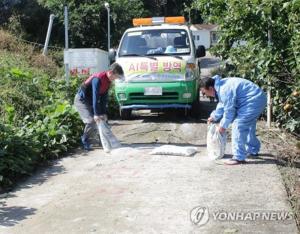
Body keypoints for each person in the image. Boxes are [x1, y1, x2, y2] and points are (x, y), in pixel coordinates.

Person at [200, 75, 267, 165]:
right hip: (257, 98)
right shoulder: (220, 86)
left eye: (204, 93)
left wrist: (223, 126)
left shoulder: (224, 90)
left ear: (210, 88)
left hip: (253, 101)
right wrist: (214, 116)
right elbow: (223, 102)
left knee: (238, 124)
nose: (205, 95)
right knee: (248, 125)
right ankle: (252, 150)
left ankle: (239, 157)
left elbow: (229, 111)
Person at [74, 63, 124, 150]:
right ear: (111, 73)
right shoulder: (97, 79)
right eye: (116, 76)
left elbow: (103, 99)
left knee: (103, 119)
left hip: (90, 100)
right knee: (91, 121)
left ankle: (101, 140)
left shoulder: (108, 81)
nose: (116, 79)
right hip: (81, 100)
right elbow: (95, 97)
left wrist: (103, 113)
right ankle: (84, 140)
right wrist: (96, 114)